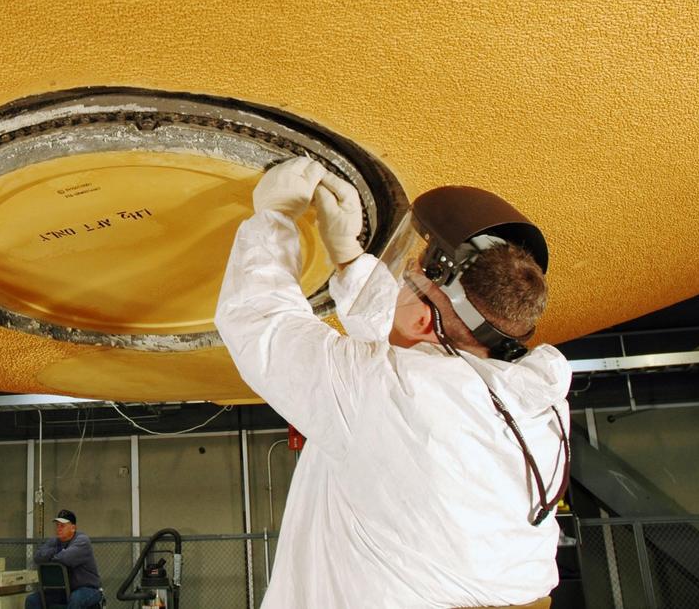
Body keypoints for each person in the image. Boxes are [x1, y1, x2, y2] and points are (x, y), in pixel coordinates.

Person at [215, 158, 570, 609]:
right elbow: (406, 352)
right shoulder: (532, 403)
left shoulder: (385, 393)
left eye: (408, 280)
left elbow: (259, 323)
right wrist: (348, 256)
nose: (400, 281)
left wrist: (275, 217)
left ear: (424, 319)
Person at [26, 509, 103, 609]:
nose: (59, 529)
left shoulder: (82, 541)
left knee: (76, 599)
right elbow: (37, 557)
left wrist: (51, 555)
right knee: (32, 600)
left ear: (73, 528)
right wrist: (57, 551)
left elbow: (65, 558)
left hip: (87, 588)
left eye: (62, 526)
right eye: (57, 525)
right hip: (62, 591)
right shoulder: (55, 541)